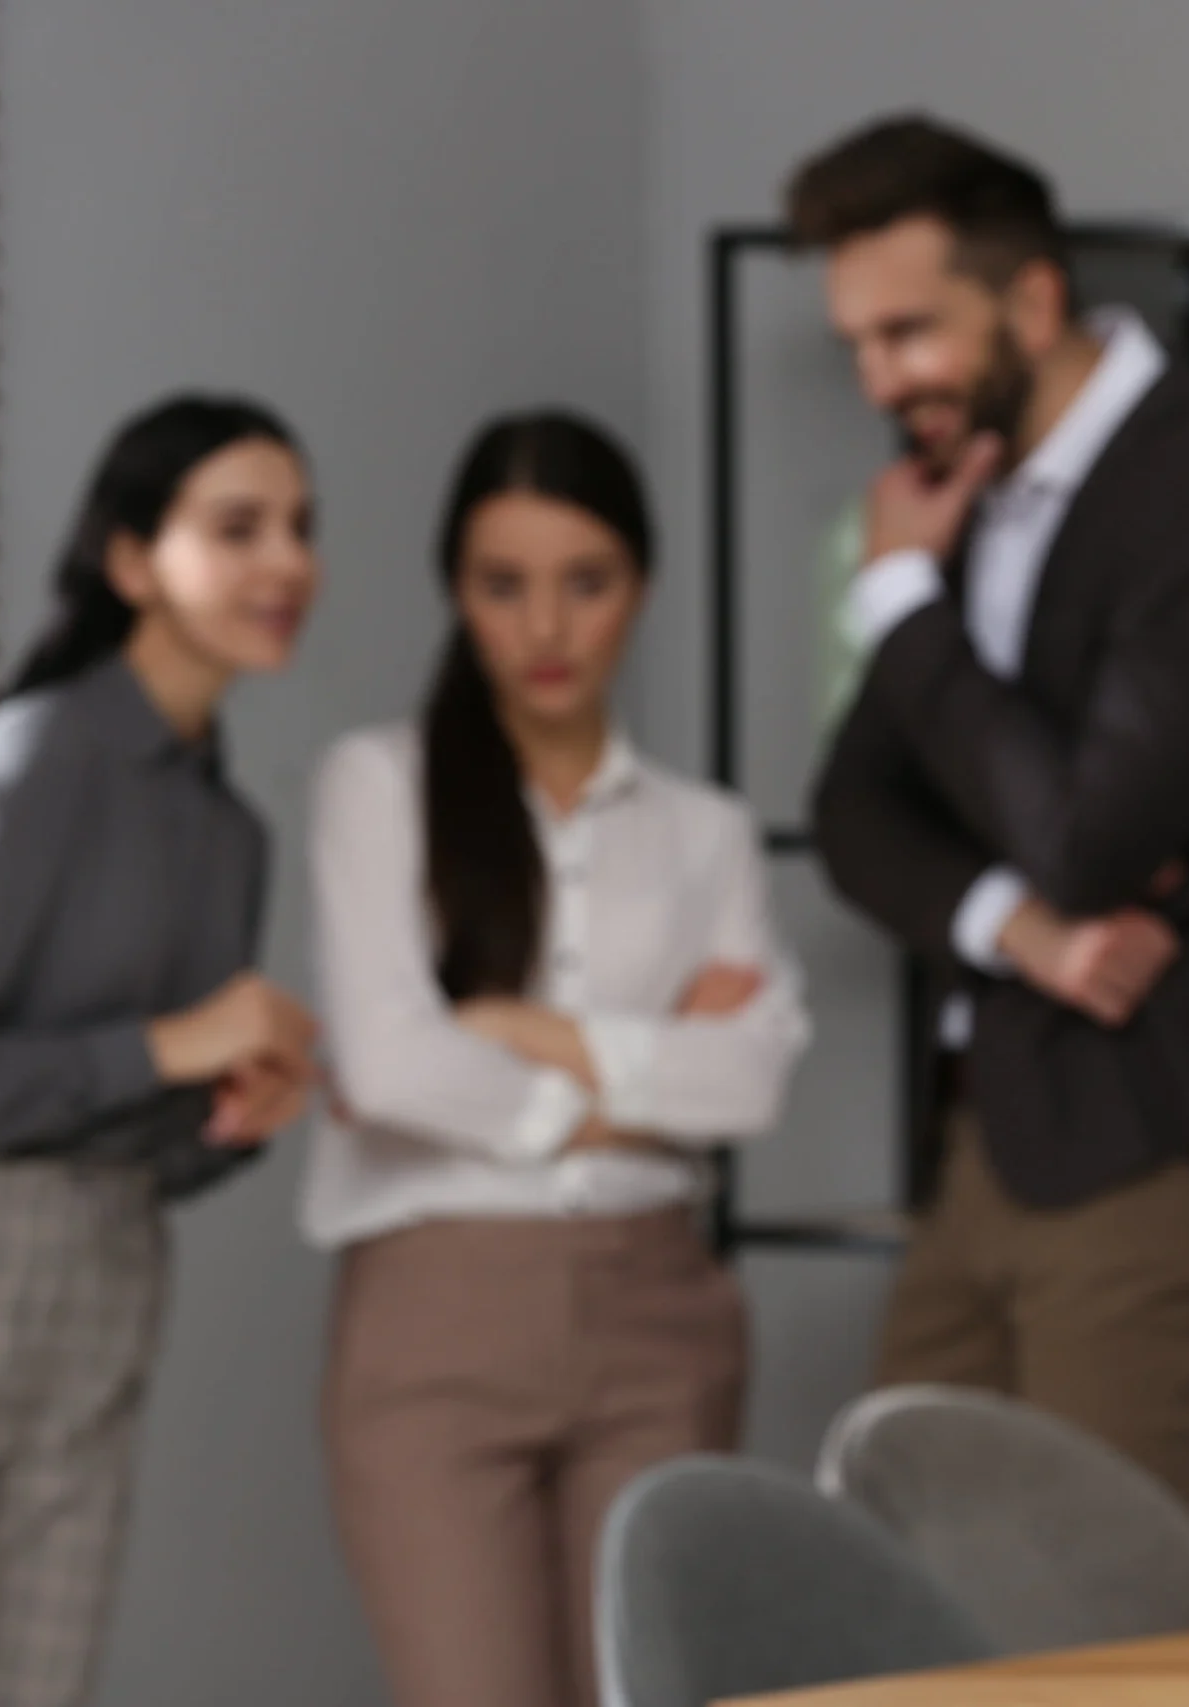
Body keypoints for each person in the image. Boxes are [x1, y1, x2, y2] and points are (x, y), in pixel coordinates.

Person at [788, 114, 1189, 1546]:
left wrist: (903, 608)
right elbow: (853, 813)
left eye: (907, 330)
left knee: (1102, 1623)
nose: (879, 378)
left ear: (1032, 297)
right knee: (898, 1586)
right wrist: (1015, 924)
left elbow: (1091, 836)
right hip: (990, 1144)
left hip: (1163, 1138)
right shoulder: (960, 495)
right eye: (856, 342)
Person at [0, 396, 322, 1707]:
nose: (287, 563)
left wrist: (231, 1115)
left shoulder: (234, 837)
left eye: (301, 528)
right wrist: (167, 1042)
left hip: (104, 1270)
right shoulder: (38, 754)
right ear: (132, 559)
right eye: (238, 527)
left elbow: (149, 1142)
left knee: (46, 1689)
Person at [306, 410, 808, 1707]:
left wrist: (516, 1034)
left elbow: (750, 1080)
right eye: (503, 584)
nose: (544, 628)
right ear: (456, 591)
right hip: (434, 1322)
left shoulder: (707, 833)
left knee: (653, 1686)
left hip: (659, 1314)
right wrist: (647, 1082)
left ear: (637, 587)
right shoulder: (377, 786)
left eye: (584, 584)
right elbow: (388, 1060)